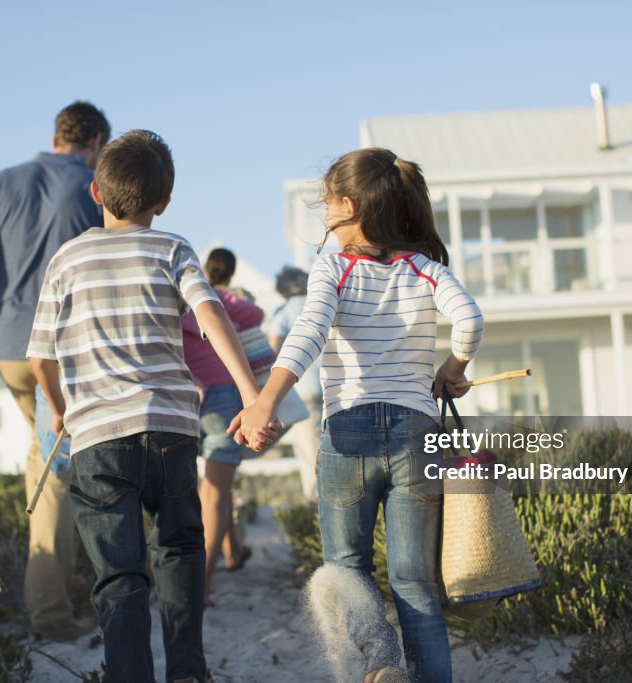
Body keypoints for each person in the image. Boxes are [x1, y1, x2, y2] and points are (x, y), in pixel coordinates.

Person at [27, 130, 276, 683]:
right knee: (181, 552)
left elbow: (40, 357)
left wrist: (61, 407)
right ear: (163, 203)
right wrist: (252, 393)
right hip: (169, 429)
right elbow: (212, 318)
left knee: (118, 577)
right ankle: (187, 671)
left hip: (98, 440)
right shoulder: (172, 248)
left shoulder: (67, 259)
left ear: (95, 191)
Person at [232, 148, 484, 683]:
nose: (323, 216)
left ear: (349, 205)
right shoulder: (425, 267)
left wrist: (264, 401)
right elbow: (470, 319)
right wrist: (454, 367)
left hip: (348, 432)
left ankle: (381, 662)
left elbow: (308, 334)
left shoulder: (335, 266)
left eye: (326, 204)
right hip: (416, 432)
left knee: (347, 569)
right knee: (414, 584)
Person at [0, 101, 110, 641]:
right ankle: (53, 616)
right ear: (97, 139)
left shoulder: (1, 181)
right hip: (67, 349)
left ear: (56, 136)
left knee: (51, 461)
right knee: (59, 472)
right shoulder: (95, 186)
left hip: (9, 348)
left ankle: (62, 600)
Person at [181, 247, 270, 598]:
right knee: (217, 488)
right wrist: (230, 296)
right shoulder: (218, 299)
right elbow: (257, 315)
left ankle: (230, 553)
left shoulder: (181, 297)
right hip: (221, 392)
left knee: (206, 488)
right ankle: (201, 583)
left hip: (181, 393)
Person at [267, 266, 321, 503]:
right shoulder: (320, 304)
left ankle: (316, 506)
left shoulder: (286, 310)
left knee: (310, 454)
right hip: (334, 388)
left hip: (303, 390)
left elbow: (274, 348)